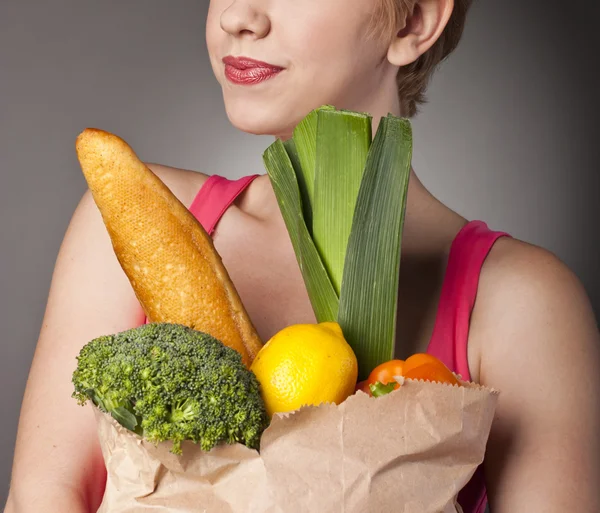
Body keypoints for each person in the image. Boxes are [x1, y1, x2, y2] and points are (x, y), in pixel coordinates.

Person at [5, 0, 600, 512]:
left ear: (413, 22)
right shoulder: (131, 221)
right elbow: (43, 497)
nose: (238, 16)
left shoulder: (522, 302)